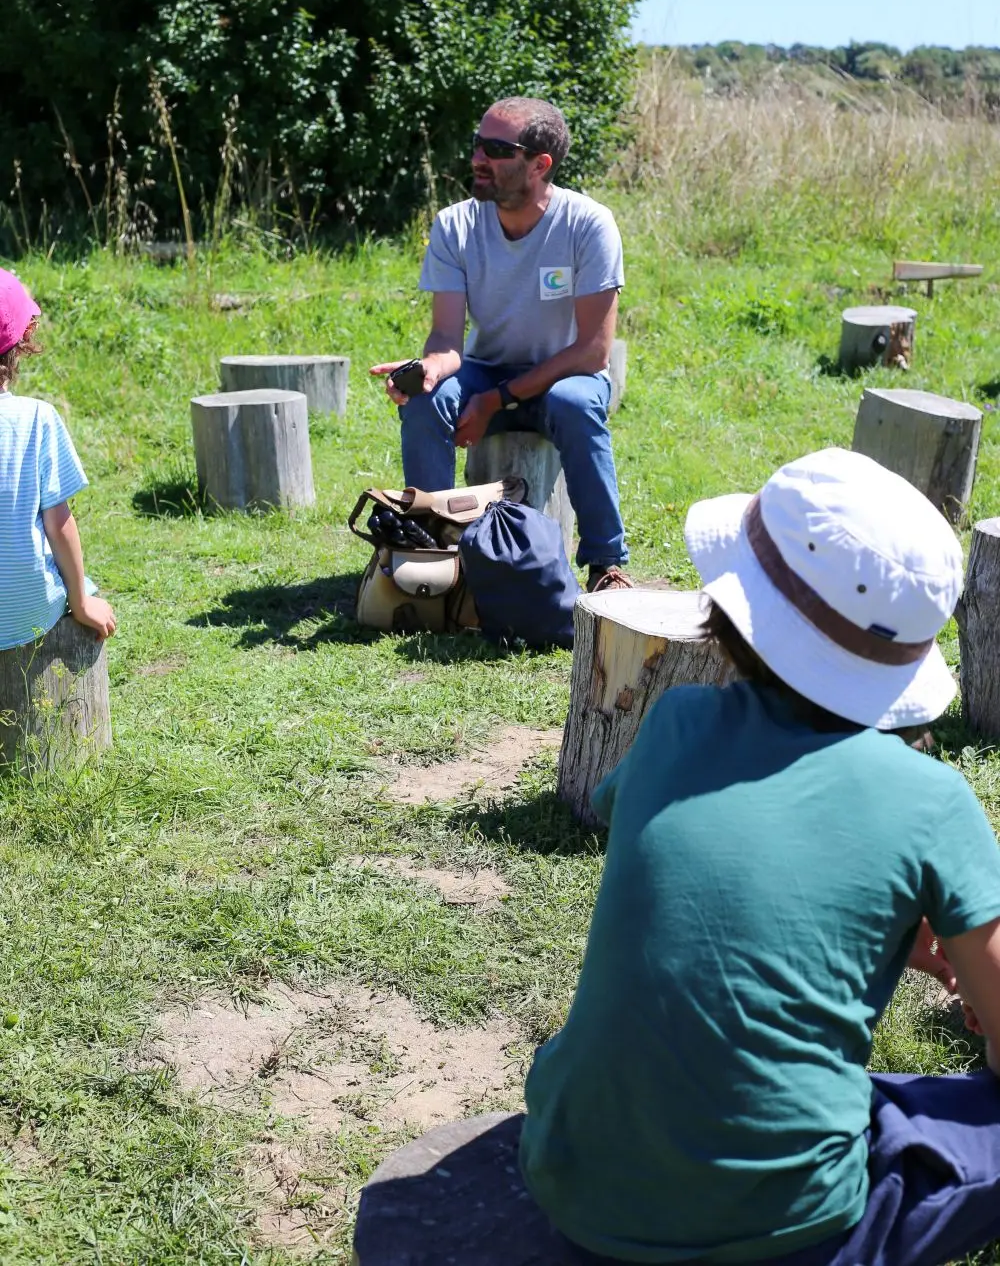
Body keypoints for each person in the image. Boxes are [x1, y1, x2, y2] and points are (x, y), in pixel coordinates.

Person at [518, 446, 1000, 1266]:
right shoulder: (931, 800)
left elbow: (708, 871)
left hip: (575, 1177)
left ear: (730, 611)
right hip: (783, 1233)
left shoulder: (674, 724)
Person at [370, 96, 632, 594]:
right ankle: (435, 553)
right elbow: (448, 339)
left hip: (565, 375)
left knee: (575, 404)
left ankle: (606, 565)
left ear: (539, 164)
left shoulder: (588, 224)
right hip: (485, 369)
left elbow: (592, 353)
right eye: (477, 144)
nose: (477, 159)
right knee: (428, 399)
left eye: (495, 148)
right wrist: (428, 368)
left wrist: (496, 400)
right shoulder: (456, 224)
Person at [0, 268, 116, 650]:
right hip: (26, 613)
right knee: (78, 581)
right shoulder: (37, 418)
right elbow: (59, 523)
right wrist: (81, 602)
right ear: (22, 341)